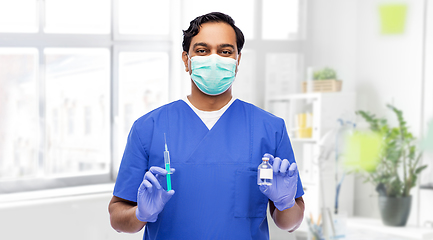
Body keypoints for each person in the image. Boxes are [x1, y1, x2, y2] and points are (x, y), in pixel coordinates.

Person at [108, 12, 305, 240]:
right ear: (186, 60)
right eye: (202, 50)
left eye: (225, 51)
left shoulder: (270, 129)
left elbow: (290, 223)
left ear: (237, 60)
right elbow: (117, 218)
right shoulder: (148, 128)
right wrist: (141, 213)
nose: (214, 59)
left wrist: (285, 203)